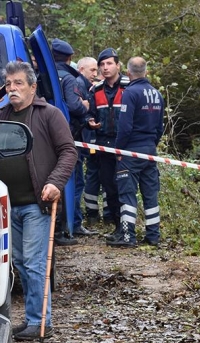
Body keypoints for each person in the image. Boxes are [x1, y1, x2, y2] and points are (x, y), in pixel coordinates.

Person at [0, 61, 77, 340]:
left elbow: (68, 151)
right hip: (5, 204)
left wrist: (55, 182)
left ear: (32, 86)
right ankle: (33, 319)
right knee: (18, 261)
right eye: (8, 84)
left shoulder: (49, 114)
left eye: (18, 83)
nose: (12, 88)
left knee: (33, 261)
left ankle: (40, 321)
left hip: (36, 203)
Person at [107, 57, 165, 247]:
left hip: (131, 151)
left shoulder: (130, 93)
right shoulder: (157, 94)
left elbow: (124, 126)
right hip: (150, 151)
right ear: (146, 72)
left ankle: (128, 237)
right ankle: (153, 236)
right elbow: (159, 127)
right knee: (150, 194)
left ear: (129, 73)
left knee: (127, 195)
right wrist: (151, 145)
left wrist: (119, 149)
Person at [52, 39, 97, 238]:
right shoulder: (70, 79)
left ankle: (63, 224)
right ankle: (73, 224)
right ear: (70, 59)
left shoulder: (47, 75)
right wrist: (85, 106)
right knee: (75, 182)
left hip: (51, 137)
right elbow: (74, 106)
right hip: (70, 138)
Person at [87, 48, 129, 243]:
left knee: (125, 188)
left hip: (125, 145)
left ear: (118, 65)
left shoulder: (130, 87)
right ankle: (118, 226)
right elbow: (90, 113)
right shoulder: (96, 91)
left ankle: (127, 228)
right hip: (104, 145)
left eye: (109, 63)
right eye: (102, 64)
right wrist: (90, 121)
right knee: (109, 187)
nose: (105, 68)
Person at [78, 56, 112, 227]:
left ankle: (106, 214)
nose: (95, 73)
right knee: (93, 176)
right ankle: (92, 214)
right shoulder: (90, 89)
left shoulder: (96, 89)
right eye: (93, 70)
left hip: (103, 142)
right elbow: (88, 113)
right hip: (92, 141)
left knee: (106, 177)